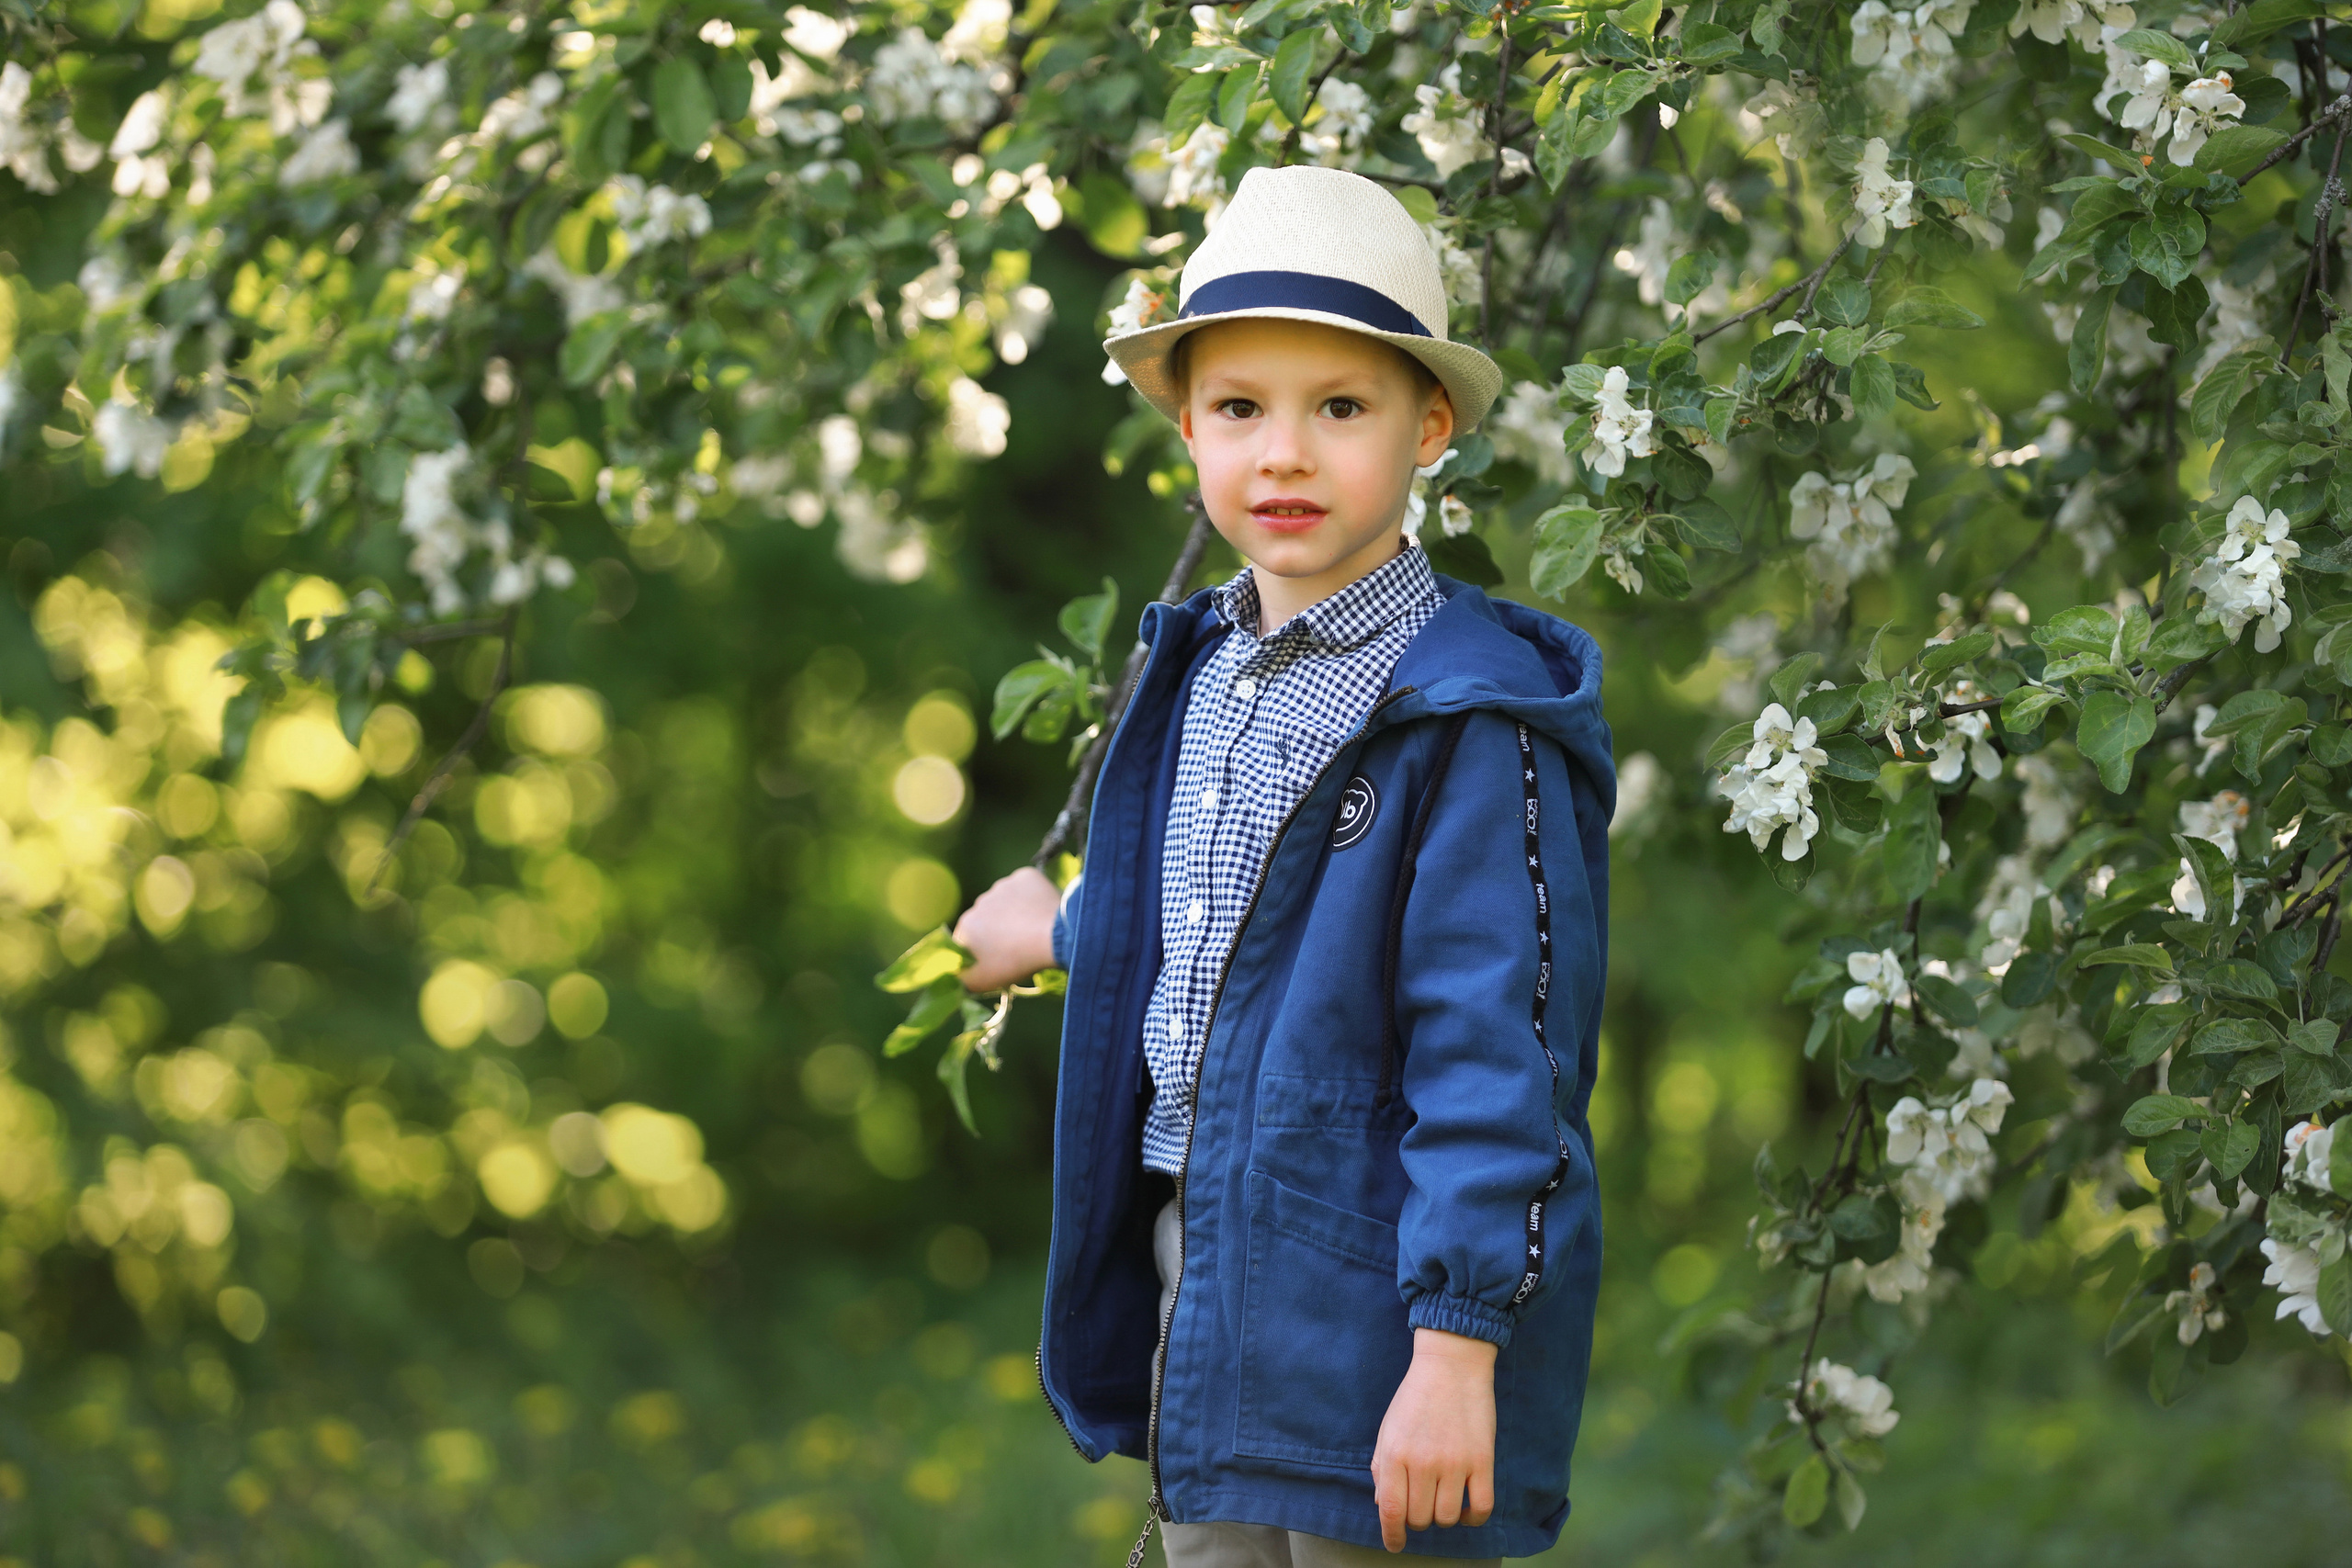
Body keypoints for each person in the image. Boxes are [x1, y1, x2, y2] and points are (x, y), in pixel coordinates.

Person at [953, 164, 1614, 1566]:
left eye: (1342, 408)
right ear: (1188, 424)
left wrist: (1456, 1348)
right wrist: (1061, 929)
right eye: (1242, 408)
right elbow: (1228, 929)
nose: (1286, 455)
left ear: (1429, 425)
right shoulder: (1198, 672)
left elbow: (1501, 1052)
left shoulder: (1469, 717)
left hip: (1379, 1280)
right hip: (1211, 1250)